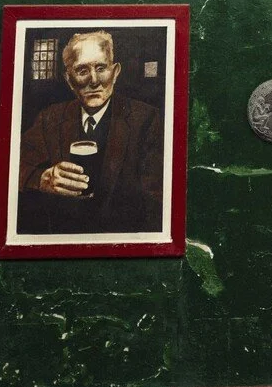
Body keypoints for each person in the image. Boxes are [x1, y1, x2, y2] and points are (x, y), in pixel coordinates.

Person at [17, 29, 163, 234]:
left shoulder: (147, 119)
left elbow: (158, 205)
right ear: (69, 79)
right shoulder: (50, 118)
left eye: (101, 68)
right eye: (82, 70)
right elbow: (12, 166)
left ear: (115, 72)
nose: (94, 80)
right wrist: (43, 179)